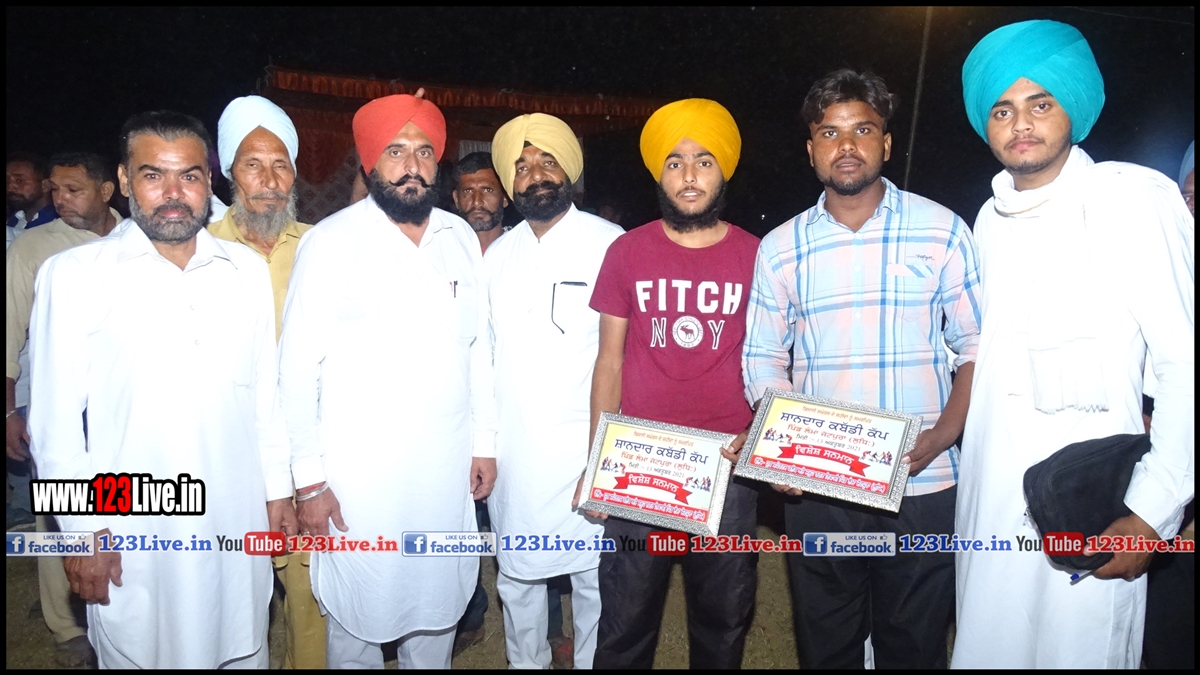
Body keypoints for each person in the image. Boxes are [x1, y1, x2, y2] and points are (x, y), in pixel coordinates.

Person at [953, 20, 1194, 669]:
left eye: (1040, 103)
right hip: (989, 504)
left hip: (1094, 504)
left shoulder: (1132, 196)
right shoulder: (986, 221)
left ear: (1073, 106)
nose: (1020, 123)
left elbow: (1185, 364)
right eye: (1002, 109)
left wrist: (1152, 512)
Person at [27, 111, 295, 668]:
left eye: (189, 176)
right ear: (125, 181)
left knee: (241, 641)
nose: (174, 193)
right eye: (154, 176)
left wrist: (277, 494)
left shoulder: (244, 271)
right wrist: (81, 535)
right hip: (134, 532)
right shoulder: (75, 275)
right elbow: (53, 428)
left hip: (233, 519)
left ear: (208, 182)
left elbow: (264, 401)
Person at [741, 69, 982, 669]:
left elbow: (977, 345)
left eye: (863, 130)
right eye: (829, 132)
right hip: (820, 486)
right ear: (811, 150)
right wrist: (781, 451)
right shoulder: (781, 248)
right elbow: (764, 357)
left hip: (922, 482)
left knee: (914, 645)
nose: (846, 145)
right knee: (828, 644)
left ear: (886, 143)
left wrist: (944, 434)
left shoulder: (943, 230)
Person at [278, 94, 490, 669]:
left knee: (436, 609)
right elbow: (295, 371)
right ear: (370, 163)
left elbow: (479, 351)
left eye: (424, 152)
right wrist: (309, 484)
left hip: (443, 473)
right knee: (358, 620)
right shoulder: (331, 242)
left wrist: (485, 444)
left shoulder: (459, 237)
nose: (411, 165)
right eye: (395, 152)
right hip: (359, 482)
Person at [583, 99, 760, 669]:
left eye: (704, 161)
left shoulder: (757, 256)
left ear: (723, 171)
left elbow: (776, 360)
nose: (689, 175)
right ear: (658, 174)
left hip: (728, 466)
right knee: (626, 621)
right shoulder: (627, 251)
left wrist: (761, 438)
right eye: (675, 162)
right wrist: (598, 461)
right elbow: (609, 362)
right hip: (641, 460)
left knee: (723, 622)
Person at [478, 113, 622, 669]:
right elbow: (483, 356)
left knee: (593, 579)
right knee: (517, 578)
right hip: (515, 450)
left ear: (570, 172)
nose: (535, 174)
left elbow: (624, 358)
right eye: (521, 167)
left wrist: (608, 452)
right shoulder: (496, 256)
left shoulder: (611, 245)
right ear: (510, 183)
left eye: (547, 161)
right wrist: (483, 443)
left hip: (586, 445)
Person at [207, 94, 323, 669]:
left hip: (305, 445)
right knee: (225, 596)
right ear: (229, 172)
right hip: (224, 449)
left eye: (281, 165)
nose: (269, 181)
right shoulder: (197, 247)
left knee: (309, 592)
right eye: (253, 165)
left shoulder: (322, 246)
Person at [6, 152, 121, 667]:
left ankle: (114, 606)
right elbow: (8, 330)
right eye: (54, 189)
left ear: (106, 191)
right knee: (62, 516)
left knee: (121, 511)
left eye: (73, 189)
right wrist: (8, 411)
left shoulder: (136, 237)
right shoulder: (34, 247)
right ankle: (67, 626)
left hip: (119, 411)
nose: (60, 199)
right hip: (58, 409)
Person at [452, 151, 511, 253]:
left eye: (487, 190)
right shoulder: (443, 251)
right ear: (456, 199)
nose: (477, 202)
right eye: (468, 191)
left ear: (505, 197)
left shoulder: (524, 248)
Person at [6, 151, 57, 252]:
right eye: (7, 181)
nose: (10, 188)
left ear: (45, 185)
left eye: (19, 181)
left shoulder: (56, 225)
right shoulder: (14, 220)